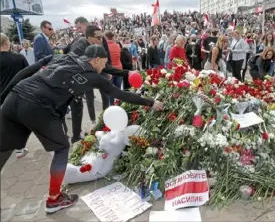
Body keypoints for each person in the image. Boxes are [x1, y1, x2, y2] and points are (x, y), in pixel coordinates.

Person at [0, 45, 163, 214]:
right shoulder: (92, 77)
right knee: (62, 148)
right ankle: (54, 199)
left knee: (3, 149)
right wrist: (151, 103)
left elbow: (24, 73)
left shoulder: (62, 57)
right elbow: (120, 94)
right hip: (37, 106)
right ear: (96, 60)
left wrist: (3, 97)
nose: (102, 69)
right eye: (103, 64)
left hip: (14, 98)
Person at [0, 33, 29, 159]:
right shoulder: (19, 58)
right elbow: (29, 74)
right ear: (7, 43)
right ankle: (19, 148)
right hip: (18, 94)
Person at [104, 30, 123, 105]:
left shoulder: (105, 46)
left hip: (110, 70)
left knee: (110, 90)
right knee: (118, 89)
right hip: (118, 68)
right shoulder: (117, 45)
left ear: (106, 37)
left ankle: (111, 106)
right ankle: (119, 104)